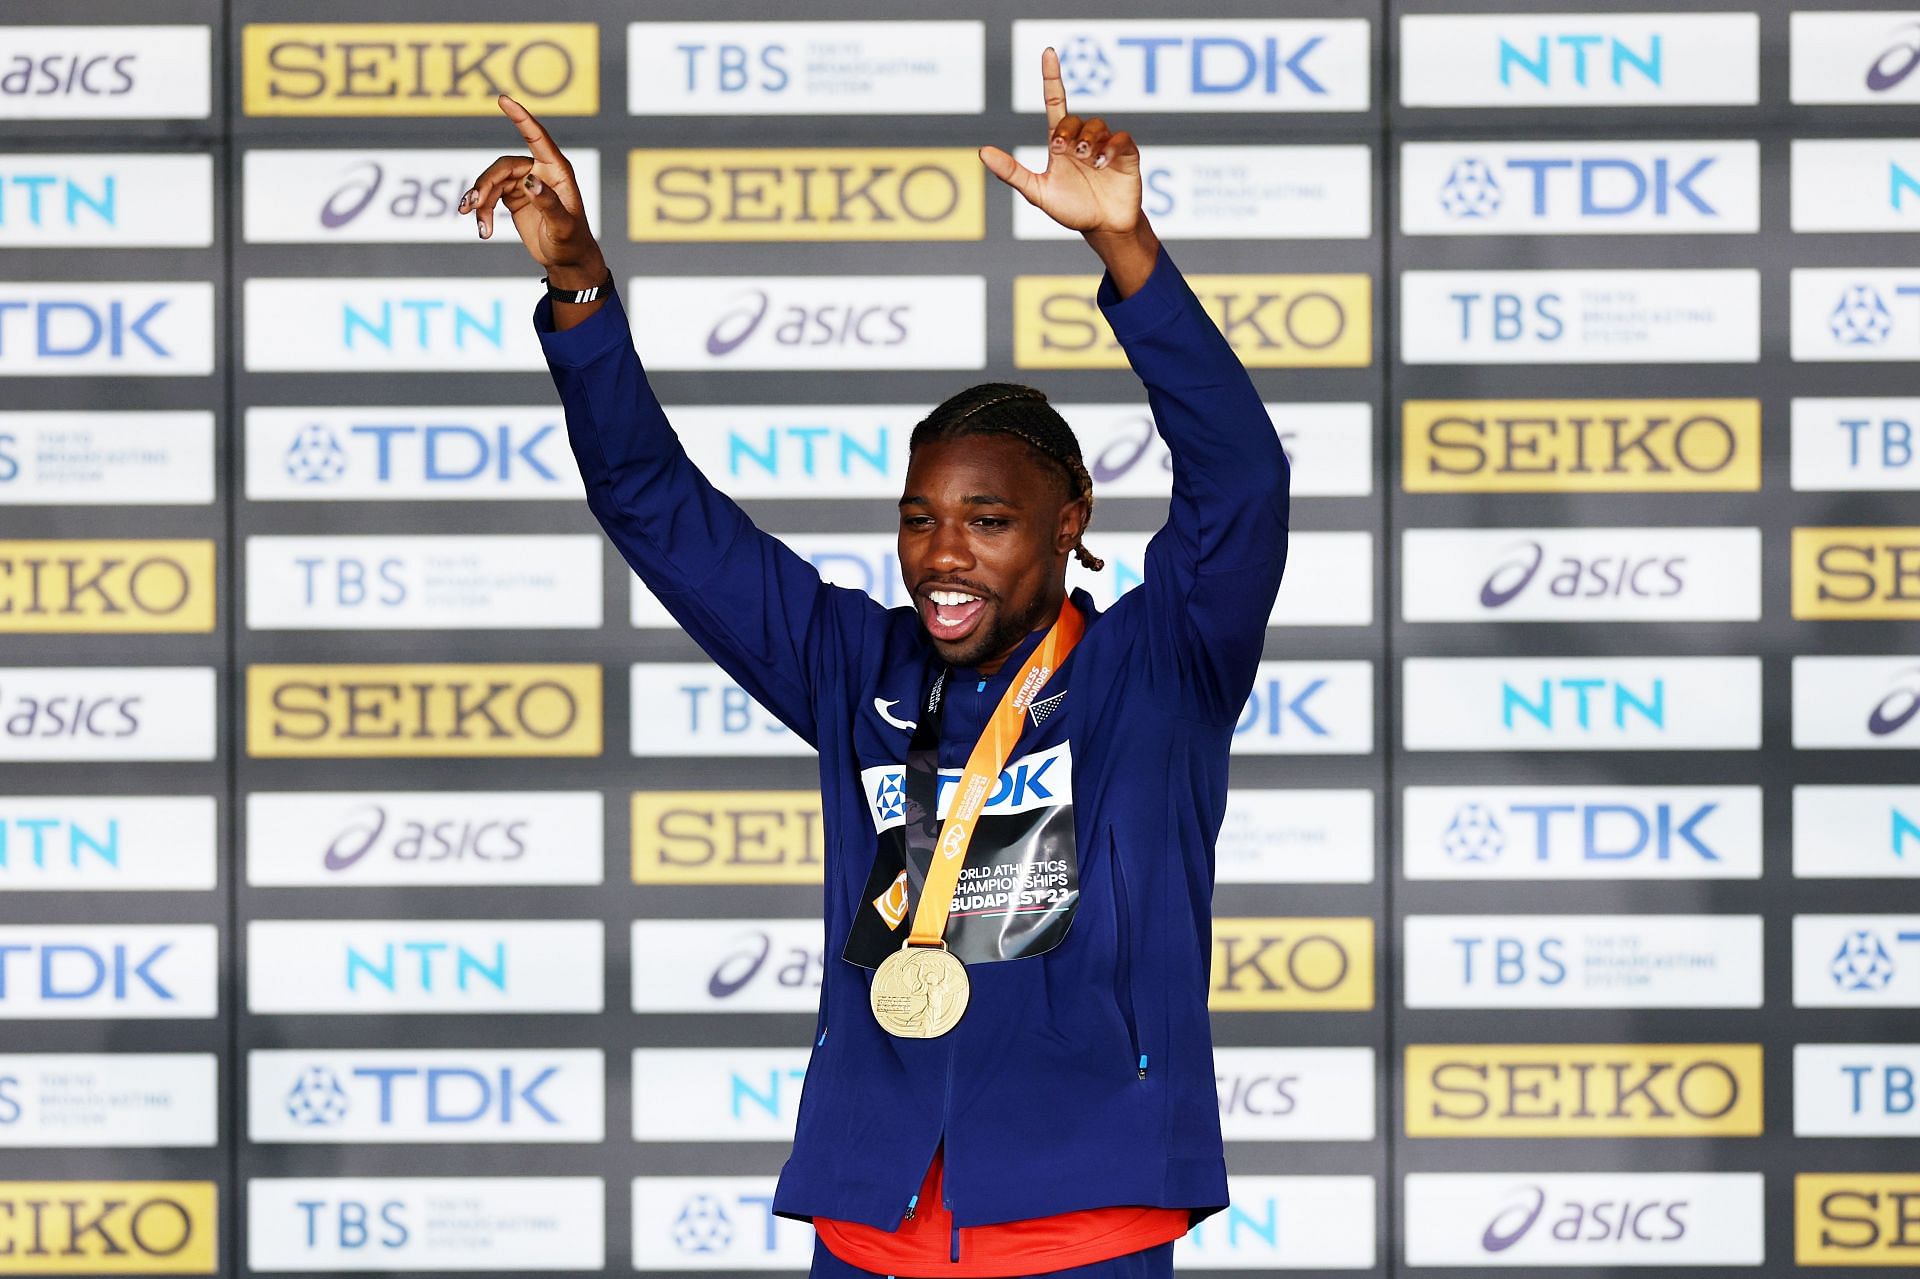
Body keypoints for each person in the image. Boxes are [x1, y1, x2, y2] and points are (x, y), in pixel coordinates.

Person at [458, 47, 1289, 1279]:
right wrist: (580, 289)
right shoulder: (854, 662)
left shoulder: (1159, 667)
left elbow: (1243, 483)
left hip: (1084, 1225)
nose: (942, 556)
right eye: (919, 518)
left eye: (988, 521)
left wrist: (1131, 257)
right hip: (870, 1226)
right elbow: (650, 500)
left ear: (1070, 523)